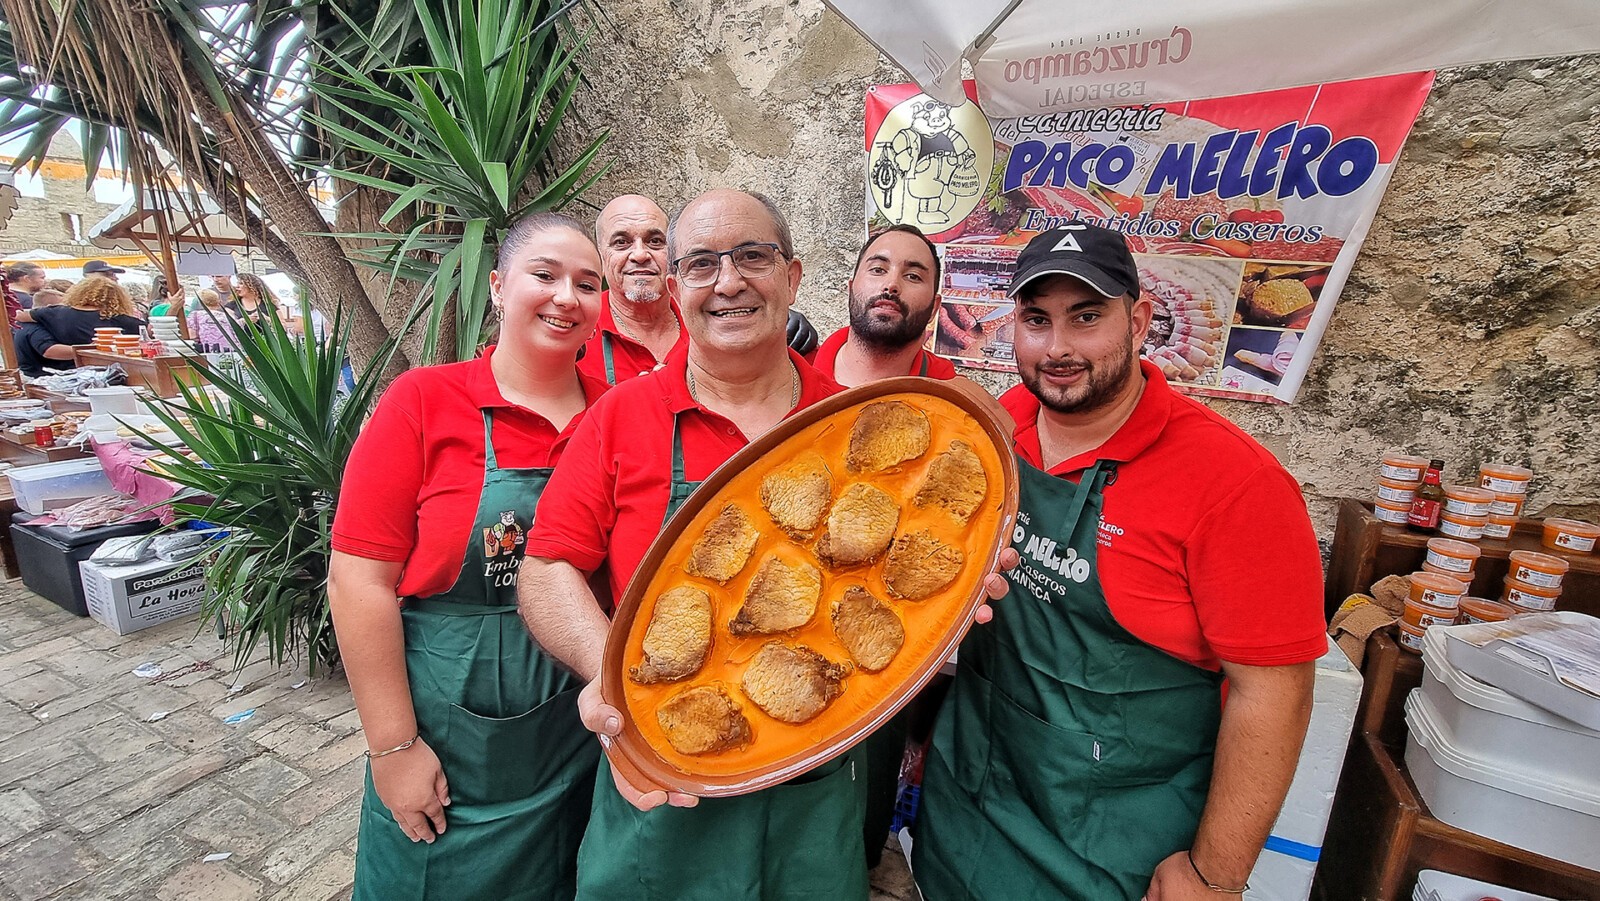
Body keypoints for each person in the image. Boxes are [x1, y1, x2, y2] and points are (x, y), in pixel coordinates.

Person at [519, 189, 1013, 900]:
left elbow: (910, 579)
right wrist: (615, 681)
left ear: (793, 276)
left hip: (815, 790)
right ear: (676, 287)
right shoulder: (621, 416)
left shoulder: (858, 424)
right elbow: (547, 566)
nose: (728, 281)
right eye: (701, 264)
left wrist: (958, 586)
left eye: (752, 256)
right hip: (661, 791)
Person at [913, 225, 1324, 900]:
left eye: (1086, 317)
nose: (1058, 348)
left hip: (1112, 839)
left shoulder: (1236, 484)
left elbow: (1276, 692)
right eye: (1037, 320)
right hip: (970, 802)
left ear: (1137, 322)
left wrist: (1215, 875)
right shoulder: (997, 431)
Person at [328, 213, 609, 900]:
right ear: (499, 286)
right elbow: (359, 580)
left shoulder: (616, 417)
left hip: (578, 735)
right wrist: (393, 747)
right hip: (450, 747)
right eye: (544, 275)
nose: (566, 297)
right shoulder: (424, 401)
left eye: (586, 283)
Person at [813, 224, 956, 386]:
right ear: (851, 289)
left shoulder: (953, 394)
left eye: (913, 276)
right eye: (878, 270)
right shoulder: (796, 372)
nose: (891, 284)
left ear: (934, 308)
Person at [580, 194, 686, 385]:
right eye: (621, 242)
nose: (640, 254)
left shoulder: (703, 324)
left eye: (655, 241)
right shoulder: (577, 329)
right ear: (599, 259)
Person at [30, 277, 145, 348]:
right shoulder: (118, 318)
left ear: (78, 293)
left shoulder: (54, 312)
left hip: (66, 367)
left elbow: (21, 316)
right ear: (117, 297)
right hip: (108, 366)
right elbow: (148, 331)